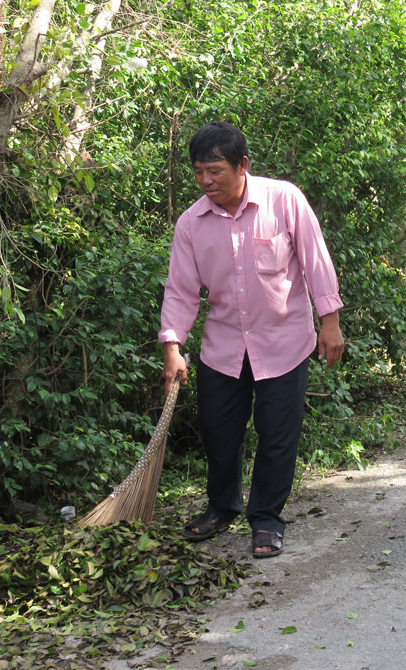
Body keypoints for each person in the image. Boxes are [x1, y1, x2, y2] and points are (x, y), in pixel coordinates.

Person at [159, 121, 344, 558]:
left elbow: (315, 259)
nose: (206, 181)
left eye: (216, 170)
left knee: (277, 433)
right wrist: (172, 346)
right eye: (199, 171)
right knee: (218, 432)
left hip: (285, 341)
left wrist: (330, 320)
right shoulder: (191, 223)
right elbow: (181, 290)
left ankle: (266, 519)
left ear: (243, 165)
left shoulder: (284, 200)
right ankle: (222, 508)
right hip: (223, 347)